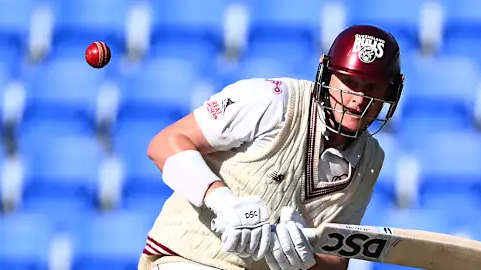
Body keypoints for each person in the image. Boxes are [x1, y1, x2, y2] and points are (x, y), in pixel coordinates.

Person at [139, 24, 405, 270]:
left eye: (372, 88)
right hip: (185, 258)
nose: (358, 99)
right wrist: (224, 203)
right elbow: (164, 144)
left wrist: (301, 256)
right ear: (326, 74)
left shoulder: (371, 158)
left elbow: (335, 260)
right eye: (349, 83)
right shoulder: (272, 101)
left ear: (390, 94)